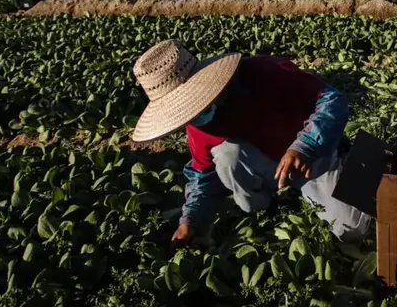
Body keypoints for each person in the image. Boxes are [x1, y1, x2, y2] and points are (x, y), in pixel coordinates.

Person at [131, 40, 371, 244]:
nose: (195, 116)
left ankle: (329, 177)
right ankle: (267, 207)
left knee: (352, 228)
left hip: (312, 160)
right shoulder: (198, 126)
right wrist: (189, 220)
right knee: (226, 155)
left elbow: (332, 100)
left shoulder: (264, 72)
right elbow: (201, 175)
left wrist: (306, 145)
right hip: (267, 172)